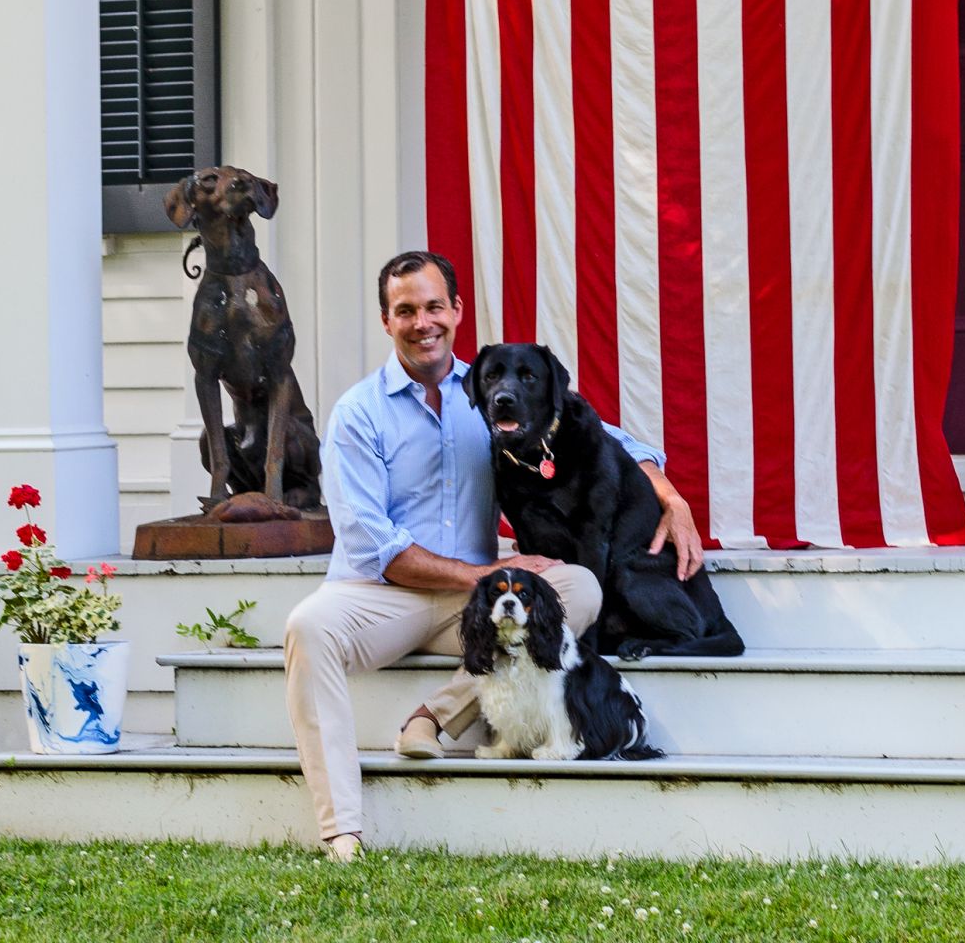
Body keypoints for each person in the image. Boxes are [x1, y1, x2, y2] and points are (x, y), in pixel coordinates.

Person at [283, 249, 704, 860]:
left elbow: (602, 434)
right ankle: (342, 829)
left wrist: (666, 492)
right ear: (386, 321)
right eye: (405, 311)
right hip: (377, 598)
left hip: (473, 606)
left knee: (579, 588)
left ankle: (431, 716)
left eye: (433, 306)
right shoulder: (358, 414)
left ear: (456, 310)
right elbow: (379, 548)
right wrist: (488, 574)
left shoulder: (486, 389)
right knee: (305, 629)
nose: (422, 322)